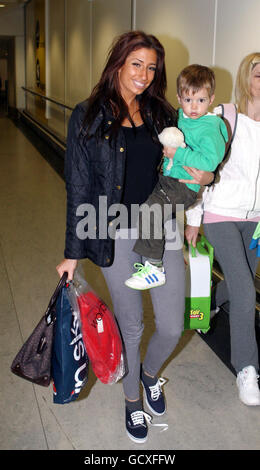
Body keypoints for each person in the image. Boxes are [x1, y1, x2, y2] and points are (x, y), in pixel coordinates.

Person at [56, 31, 213, 443]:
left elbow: (191, 168)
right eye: (136, 64)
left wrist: (205, 179)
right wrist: (72, 253)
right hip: (113, 231)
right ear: (118, 63)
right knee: (131, 325)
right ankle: (132, 401)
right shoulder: (87, 115)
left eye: (152, 67)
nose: (144, 74)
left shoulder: (162, 113)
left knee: (171, 326)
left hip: (161, 227)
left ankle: (148, 375)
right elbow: (78, 186)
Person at [185, 52, 260, 406]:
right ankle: (246, 368)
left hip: (256, 221)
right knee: (246, 291)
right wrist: (194, 219)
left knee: (235, 282)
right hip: (221, 214)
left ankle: (208, 303)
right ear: (247, 79)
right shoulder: (225, 118)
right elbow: (200, 166)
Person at [125, 64, 228, 290]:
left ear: (211, 99)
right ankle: (148, 262)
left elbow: (209, 162)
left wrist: (177, 153)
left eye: (201, 100)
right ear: (179, 98)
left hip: (184, 186)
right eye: (188, 100)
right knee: (146, 208)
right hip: (169, 179)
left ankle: (154, 268)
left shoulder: (210, 127)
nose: (194, 107)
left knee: (151, 210)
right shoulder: (179, 117)